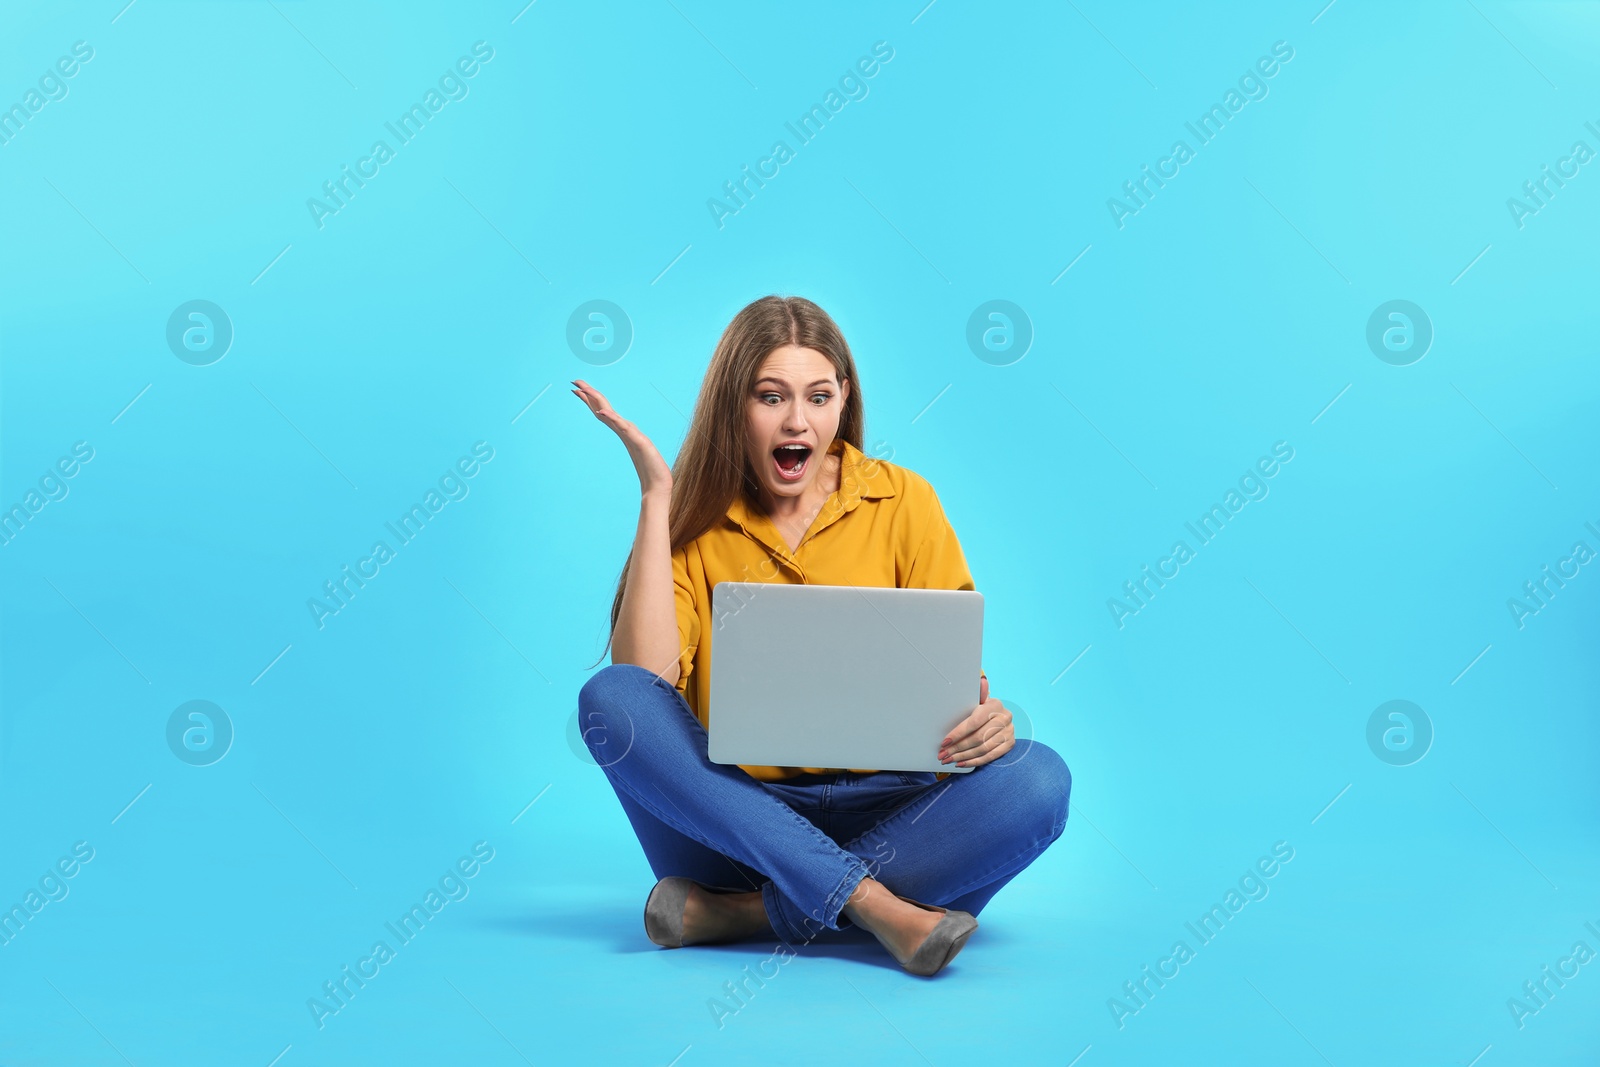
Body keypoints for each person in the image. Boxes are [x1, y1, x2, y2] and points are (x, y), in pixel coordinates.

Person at [573, 295, 1071, 976]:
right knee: (610, 698)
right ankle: (876, 904)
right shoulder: (697, 520)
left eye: (818, 395)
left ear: (844, 402)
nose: (797, 419)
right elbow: (646, 688)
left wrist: (987, 724)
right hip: (738, 820)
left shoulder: (904, 502)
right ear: (734, 406)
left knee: (1039, 779)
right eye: (770, 396)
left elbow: (953, 683)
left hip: (892, 810)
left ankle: (741, 912)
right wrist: (658, 499)